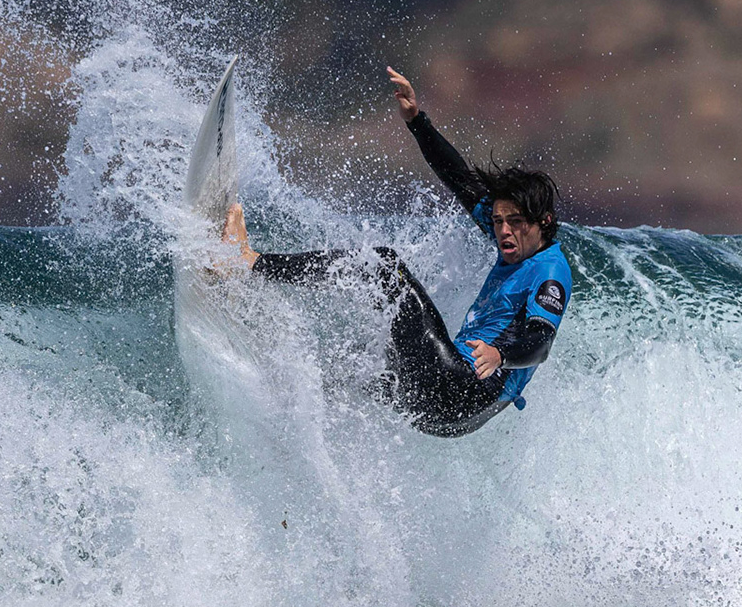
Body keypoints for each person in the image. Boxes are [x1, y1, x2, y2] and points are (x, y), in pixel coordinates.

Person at [221, 67, 573, 437]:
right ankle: (276, 392)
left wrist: (500, 356)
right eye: (498, 221)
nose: (502, 231)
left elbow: (541, 343)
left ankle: (249, 262)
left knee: (384, 268)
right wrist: (416, 120)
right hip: (450, 418)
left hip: (460, 389)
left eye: (515, 222)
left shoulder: (550, 272)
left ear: (544, 222)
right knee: (365, 360)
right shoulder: (514, 239)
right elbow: (458, 178)